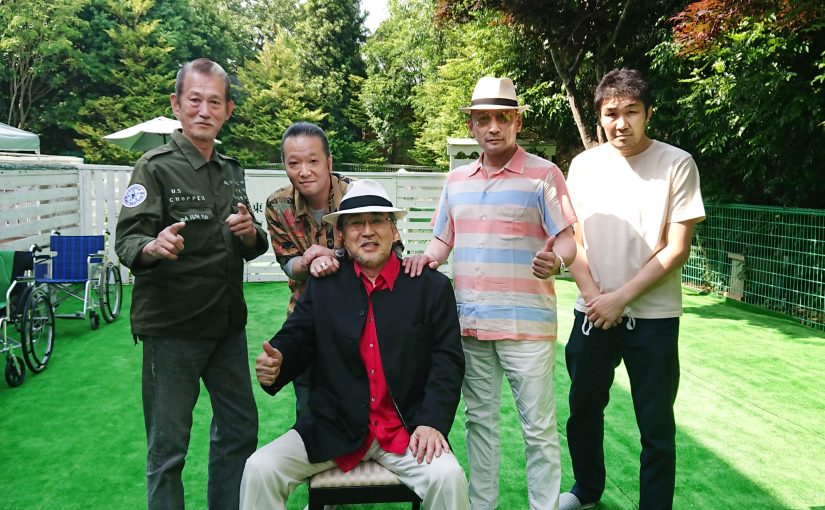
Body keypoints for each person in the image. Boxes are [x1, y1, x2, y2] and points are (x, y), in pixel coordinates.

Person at [240, 179, 470, 510]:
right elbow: (297, 336)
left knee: (449, 478)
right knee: (260, 469)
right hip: (333, 427)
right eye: (356, 224)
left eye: (377, 221)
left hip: (405, 429)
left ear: (393, 229)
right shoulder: (324, 286)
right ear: (342, 236)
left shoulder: (430, 287)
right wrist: (279, 362)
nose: (367, 231)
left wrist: (432, 422)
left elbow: (447, 361)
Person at [404, 76, 577, 510]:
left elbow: (567, 240)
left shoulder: (544, 175)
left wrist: (557, 261)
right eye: (483, 119)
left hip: (527, 327)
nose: (493, 127)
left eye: (502, 117)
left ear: (517, 122)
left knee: (538, 429)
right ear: (472, 126)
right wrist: (423, 260)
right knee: (479, 423)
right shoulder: (456, 180)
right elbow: (442, 241)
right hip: (470, 325)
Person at [115, 58, 268, 510]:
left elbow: (251, 242)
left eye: (214, 102)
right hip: (173, 329)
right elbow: (127, 240)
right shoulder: (154, 167)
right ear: (176, 104)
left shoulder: (232, 170)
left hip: (226, 327)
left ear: (228, 110)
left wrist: (251, 233)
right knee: (168, 450)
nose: (204, 110)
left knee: (239, 430)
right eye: (195, 100)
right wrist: (153, 245)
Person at [558, 68, 705, 510]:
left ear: (648, 113)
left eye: (631, 112)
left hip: (654, 318)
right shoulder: (584, 166)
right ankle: (586, 489)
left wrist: (620, 299)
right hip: (593, 312)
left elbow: (676, 248)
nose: (620, 123)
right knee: (583, 410)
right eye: (611, 113)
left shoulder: (677, 163)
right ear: (599, 117)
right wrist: (595, 298)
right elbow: (575, 240)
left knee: (656, 426)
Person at [264, 121, 352, 419]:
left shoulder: (356, 196)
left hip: (358, 318)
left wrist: (333, 254)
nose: (304, 171)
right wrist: (309, 261)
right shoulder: (278, 204)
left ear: (329, 162)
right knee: (309, 412)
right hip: (307, 317)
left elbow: (391, 252)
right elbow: (287, 263)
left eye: (313, 161)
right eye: (294, 163)